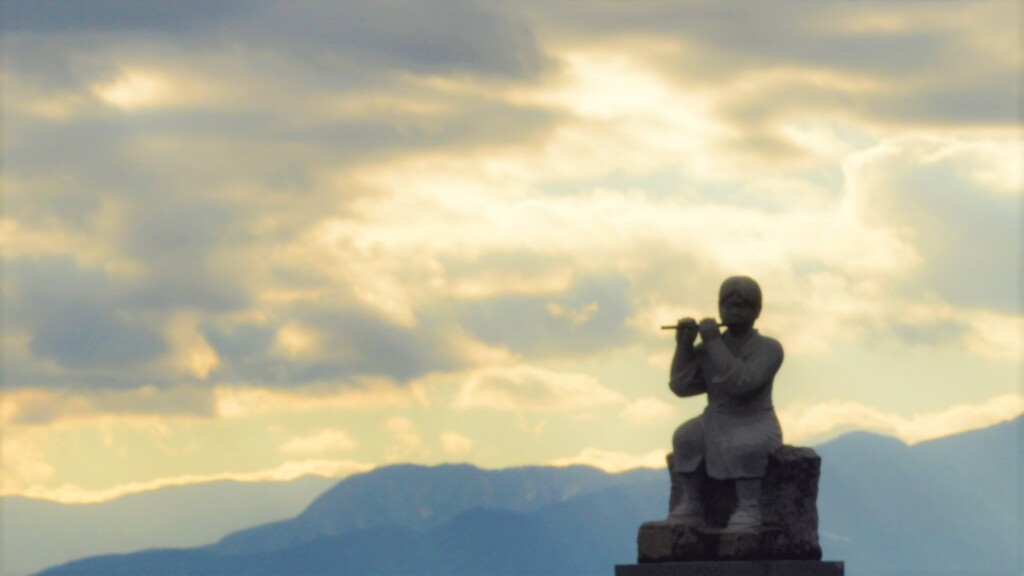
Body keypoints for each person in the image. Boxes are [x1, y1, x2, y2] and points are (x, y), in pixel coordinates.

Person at [667, 276, 783, 530]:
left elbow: (742, 383)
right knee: (685, 436)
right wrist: (684, 347)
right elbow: (681, 386)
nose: (733, 312)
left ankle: (749, 506)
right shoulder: (711, 347)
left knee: (746, 445)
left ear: (756, 311)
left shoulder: (769, 348)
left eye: (742, 307)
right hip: (715, 417)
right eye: (728, 306)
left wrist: (713, 343)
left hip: (755, 419)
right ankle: (693, 502)